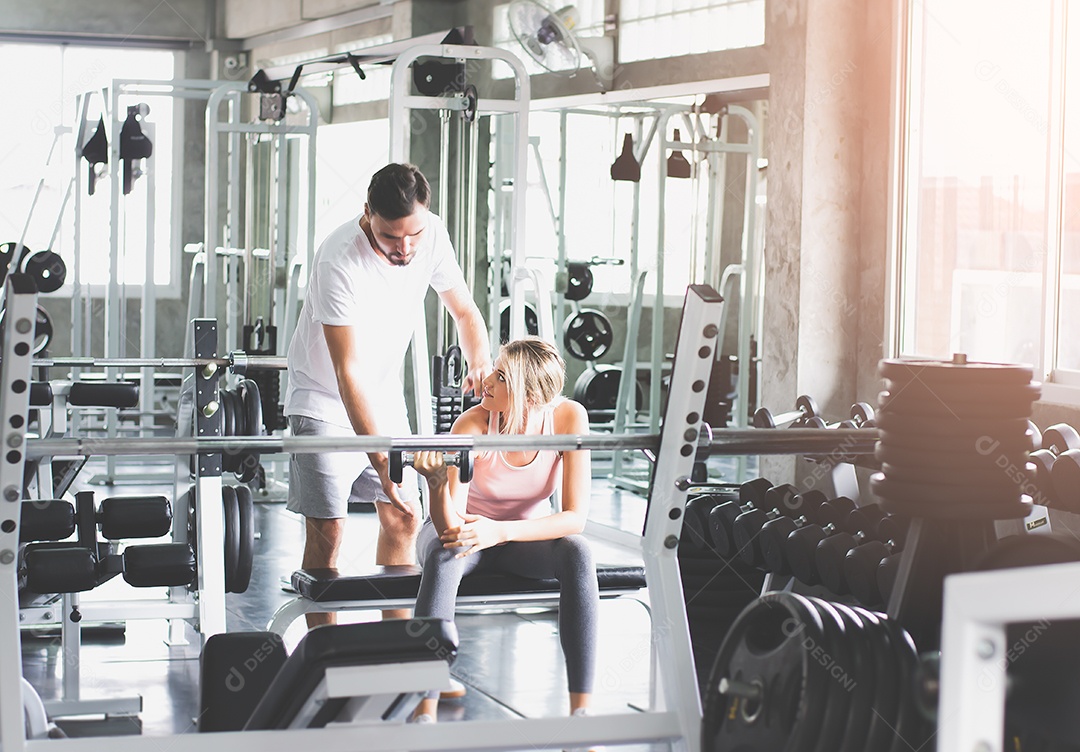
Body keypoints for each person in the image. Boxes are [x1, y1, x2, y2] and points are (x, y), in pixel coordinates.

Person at [284, 163, 491, 628]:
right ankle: (325, 649)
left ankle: (395, 640)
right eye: (391, 237)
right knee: (328, 532)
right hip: (321, 401)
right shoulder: (338, 259)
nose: (405, 249)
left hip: (383, 399)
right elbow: (347, 372)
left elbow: (464, 310)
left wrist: (479, 357)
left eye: (413, 234)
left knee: (403, 517)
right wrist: (383, 459)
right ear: (367, 215)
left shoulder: (431, 234)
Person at [409, 337, 599, 723]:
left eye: (500, 377)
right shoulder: (474, 423)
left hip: (514, 536)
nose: (485, 383)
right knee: (445, 555)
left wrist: (502, 531)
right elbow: (452, 524)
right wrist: (433, 484)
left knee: (578, 551)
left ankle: (582, 712)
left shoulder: (568, 418)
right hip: (460, 530)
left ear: (529, 396)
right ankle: (424, 711)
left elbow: (575, 517)